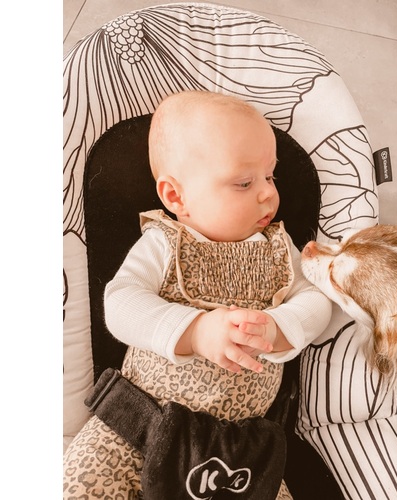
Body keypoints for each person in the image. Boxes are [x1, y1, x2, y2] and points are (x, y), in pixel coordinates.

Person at [63, 90, 333, 499]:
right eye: (244, 182)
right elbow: (119, 303)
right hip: (137, 428)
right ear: (176, 196)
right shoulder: (164, 243)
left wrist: (279, 328)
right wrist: (195, 331)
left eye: (270, 176)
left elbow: (316, 300)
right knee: (79, 484)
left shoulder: (279, 248)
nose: (267, 193)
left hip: (235, 454)